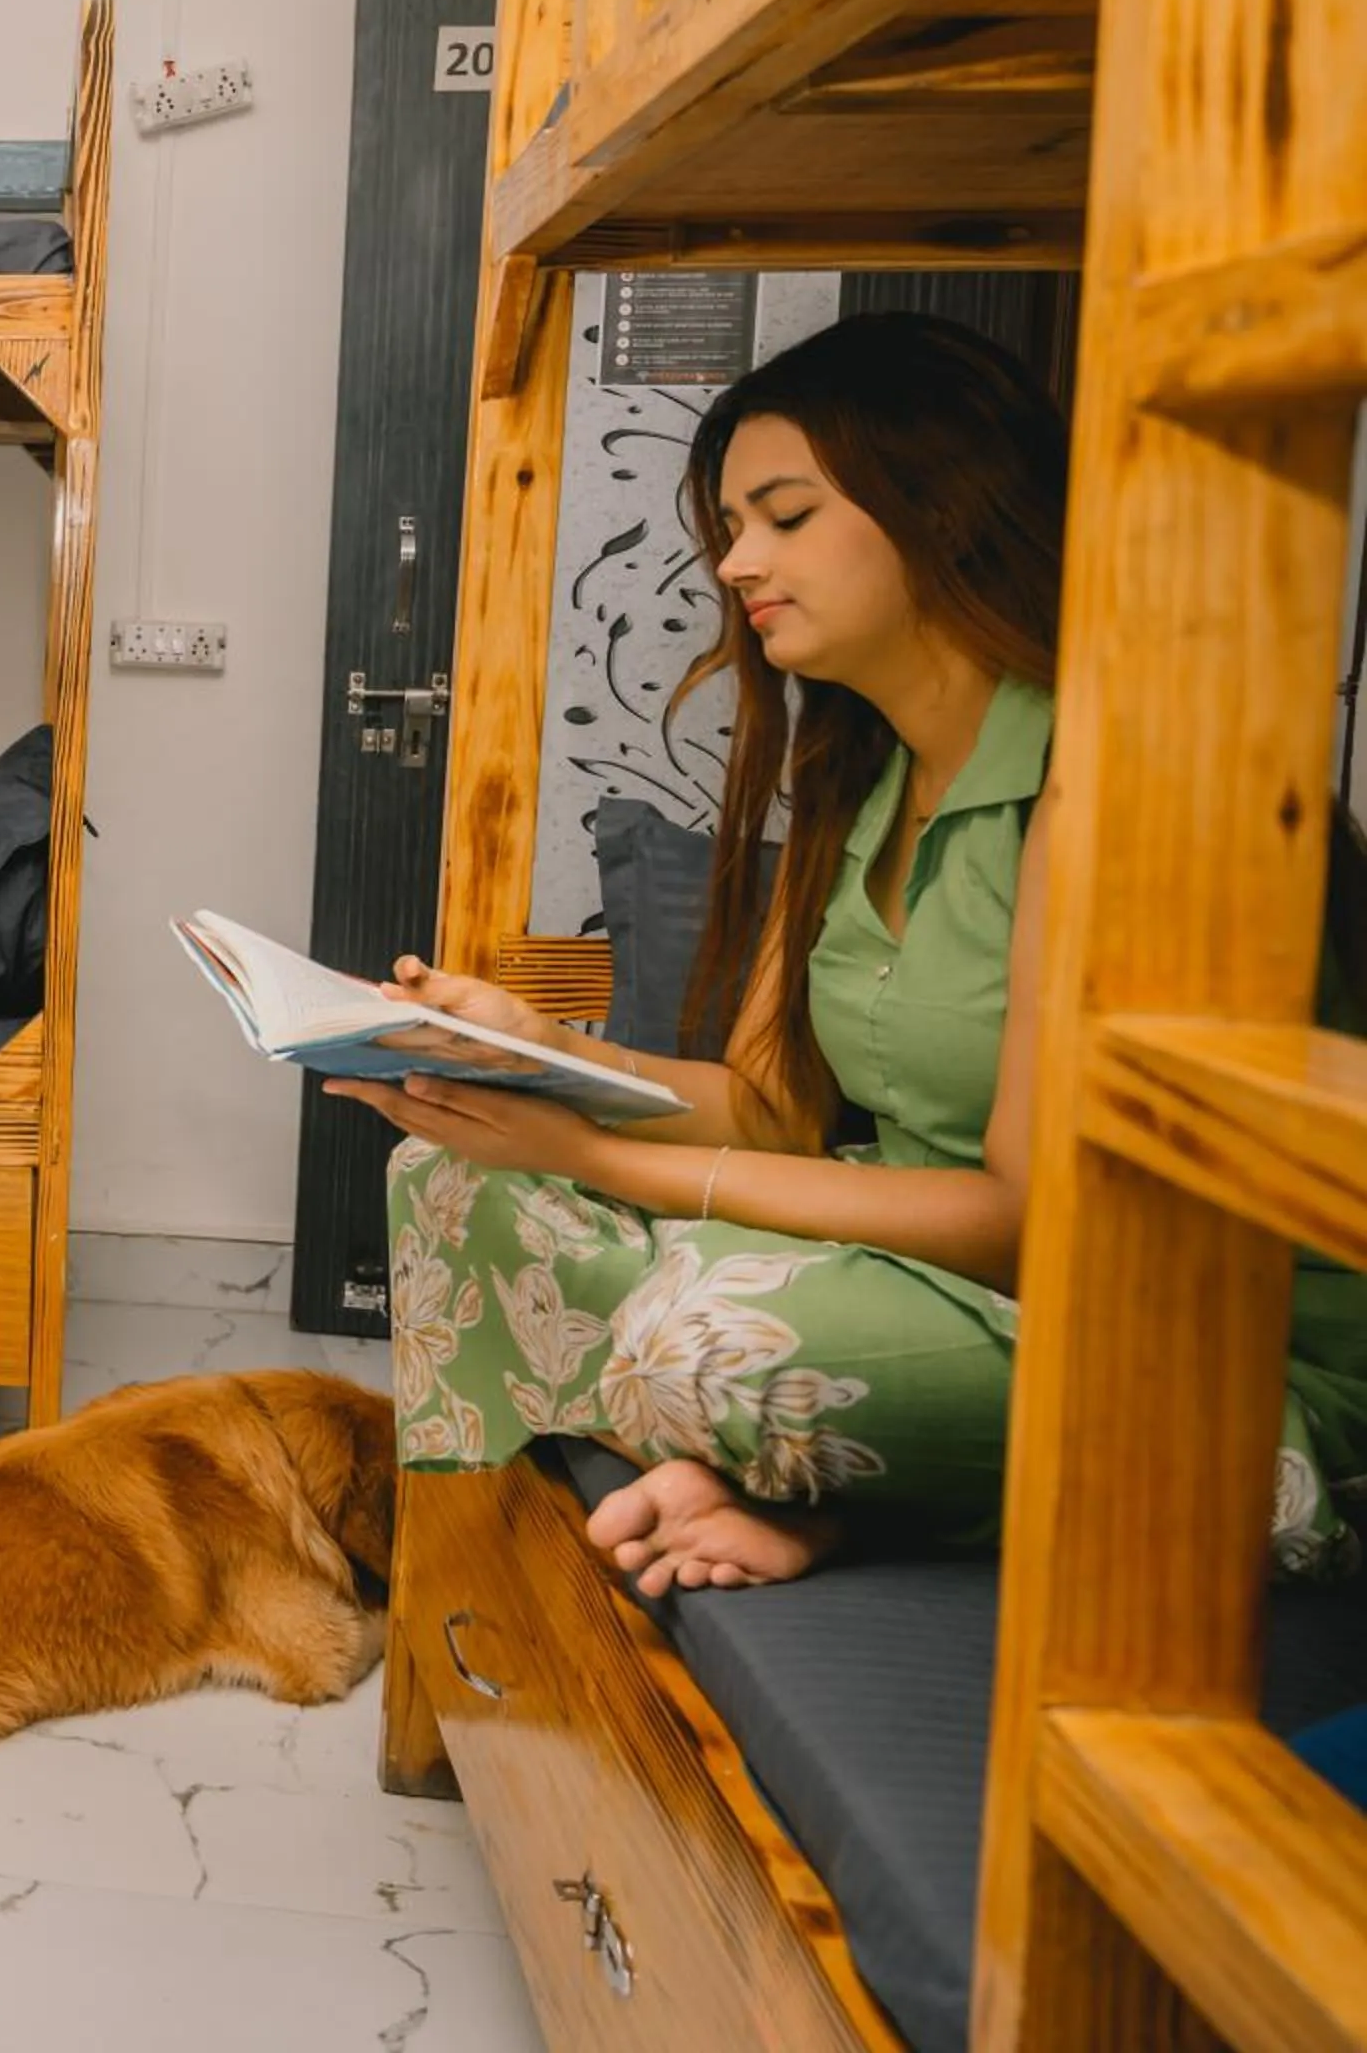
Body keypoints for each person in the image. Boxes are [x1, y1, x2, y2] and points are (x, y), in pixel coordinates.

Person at [337, 313, 1366, 1592]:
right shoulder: (863, 773)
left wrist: (601, 1160)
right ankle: (794, 1475)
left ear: (946, 511)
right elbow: (771, 1112)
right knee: (449, 1182)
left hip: (1174, 1339)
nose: (735, 565)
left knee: (708, 1338)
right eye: (730, 529)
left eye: (785, 516)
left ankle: (811, 1475)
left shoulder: (1112, 780)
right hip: (924, 1279)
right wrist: (538, 1054)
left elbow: (1021, 1225)